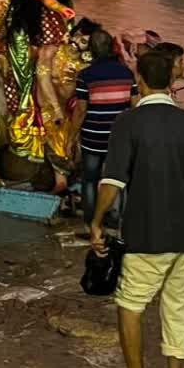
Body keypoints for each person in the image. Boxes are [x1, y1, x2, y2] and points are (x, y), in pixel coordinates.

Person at [91, 51, 184, 368]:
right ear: (172, 81)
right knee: (179, 309)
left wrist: (96, 222)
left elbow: (112, 181)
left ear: (140, 80)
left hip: (144, 235)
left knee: (130, 305)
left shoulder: (128, 122)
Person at [72, 30, 138, 231]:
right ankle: (120, 221)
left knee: (90, 179)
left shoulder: (86, 75)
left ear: (91, 50)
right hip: (119, 138)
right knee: (120, 180)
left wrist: (71, 136)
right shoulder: (127, 73)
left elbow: (81, 110)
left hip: (93, 137)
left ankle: (92, 222)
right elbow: (135, 106)